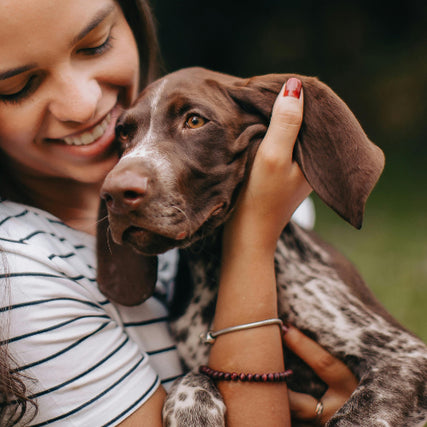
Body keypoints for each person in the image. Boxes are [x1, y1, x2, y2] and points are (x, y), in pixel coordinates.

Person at [0, 0, 358, 425]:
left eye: (96, 44)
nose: (83, 106)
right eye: (17, 86)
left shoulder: (224, 187)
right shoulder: (13, 273)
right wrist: (251, 239)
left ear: (133, 23)